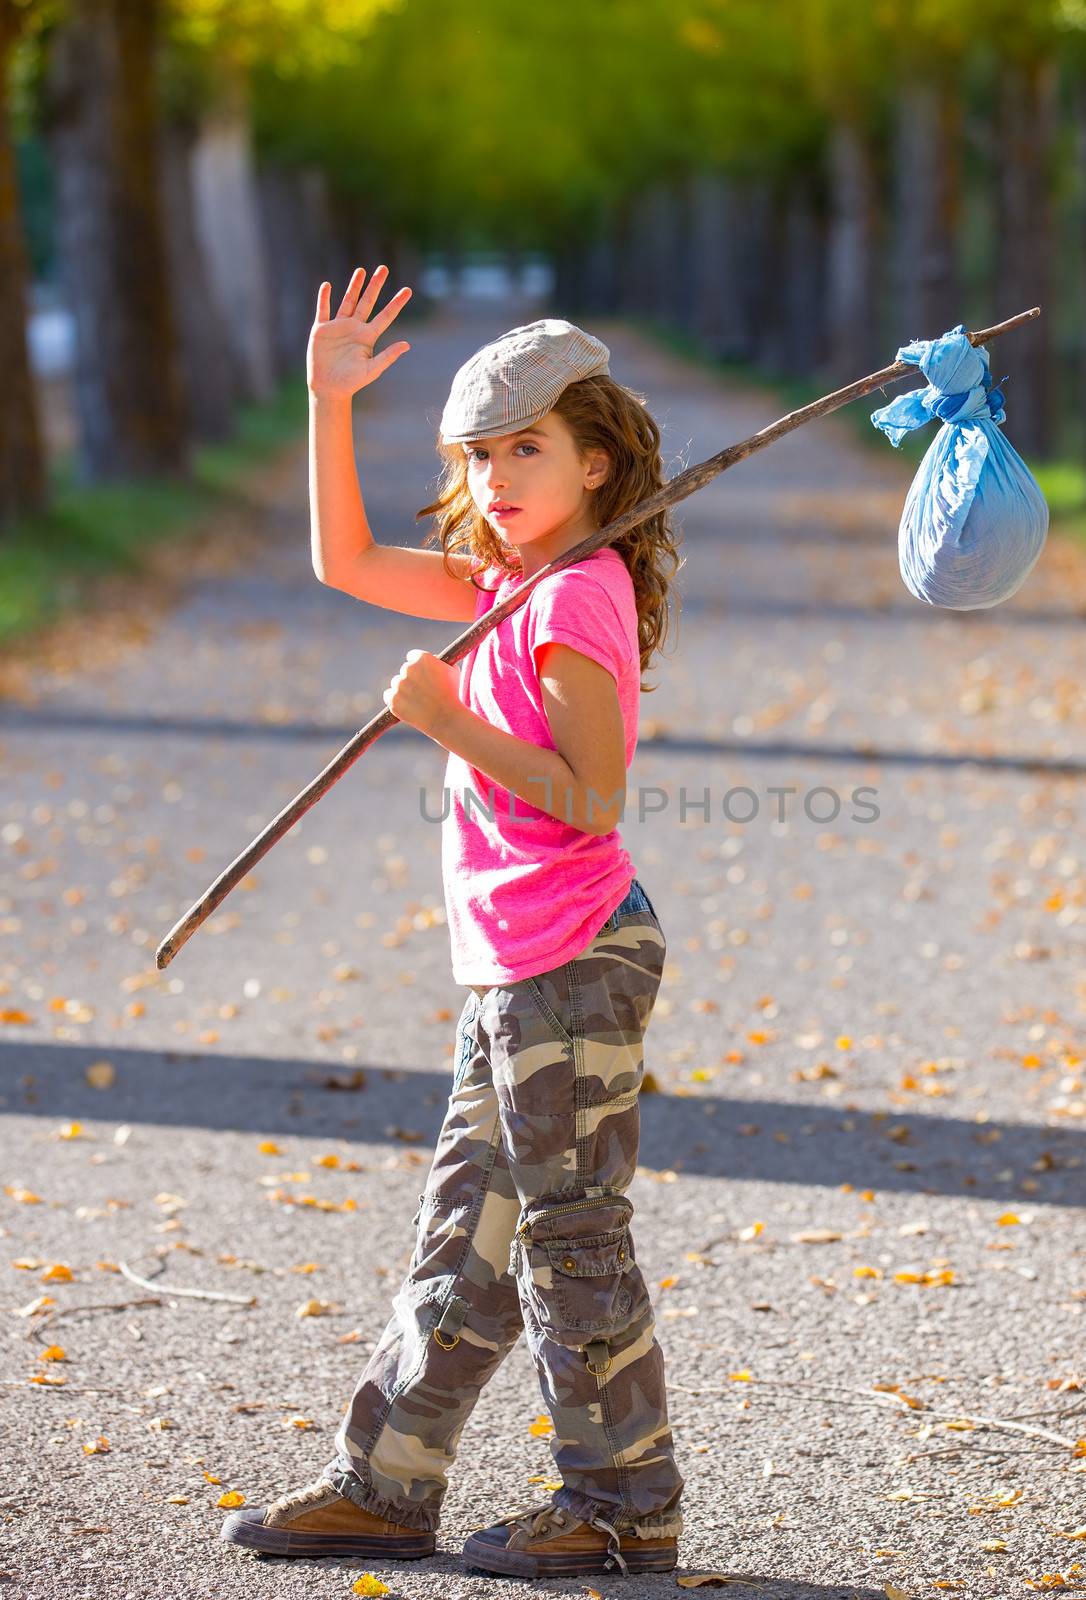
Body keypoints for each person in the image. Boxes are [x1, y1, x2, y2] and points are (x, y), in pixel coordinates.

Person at [220, 269, 686, 1579]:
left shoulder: (574, 596)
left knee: (566, 1232)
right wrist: (328, 405)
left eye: (526, 449)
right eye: (479, 454)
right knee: (468, 1232)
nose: (496, 476)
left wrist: (452, 725)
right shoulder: (504, 580)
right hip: (515, 965)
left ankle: (622, 1506)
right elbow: (347, 560)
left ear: (596, 464)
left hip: (576, 961)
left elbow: (590, 801)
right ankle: (387, 1481)